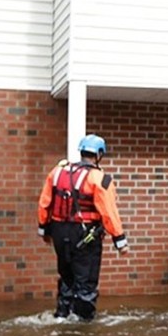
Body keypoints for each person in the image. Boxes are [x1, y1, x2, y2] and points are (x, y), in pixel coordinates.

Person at [37, 134, 130, 320]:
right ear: (99, 154)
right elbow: (109, 212)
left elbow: (44, 203)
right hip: (85, 235)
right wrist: (120, 241)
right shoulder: (99, 178)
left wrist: (44, 230)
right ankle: (83, 324)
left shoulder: (57, 172)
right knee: (85, 282)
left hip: (58, 231)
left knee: (66, 278)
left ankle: (62, 316)